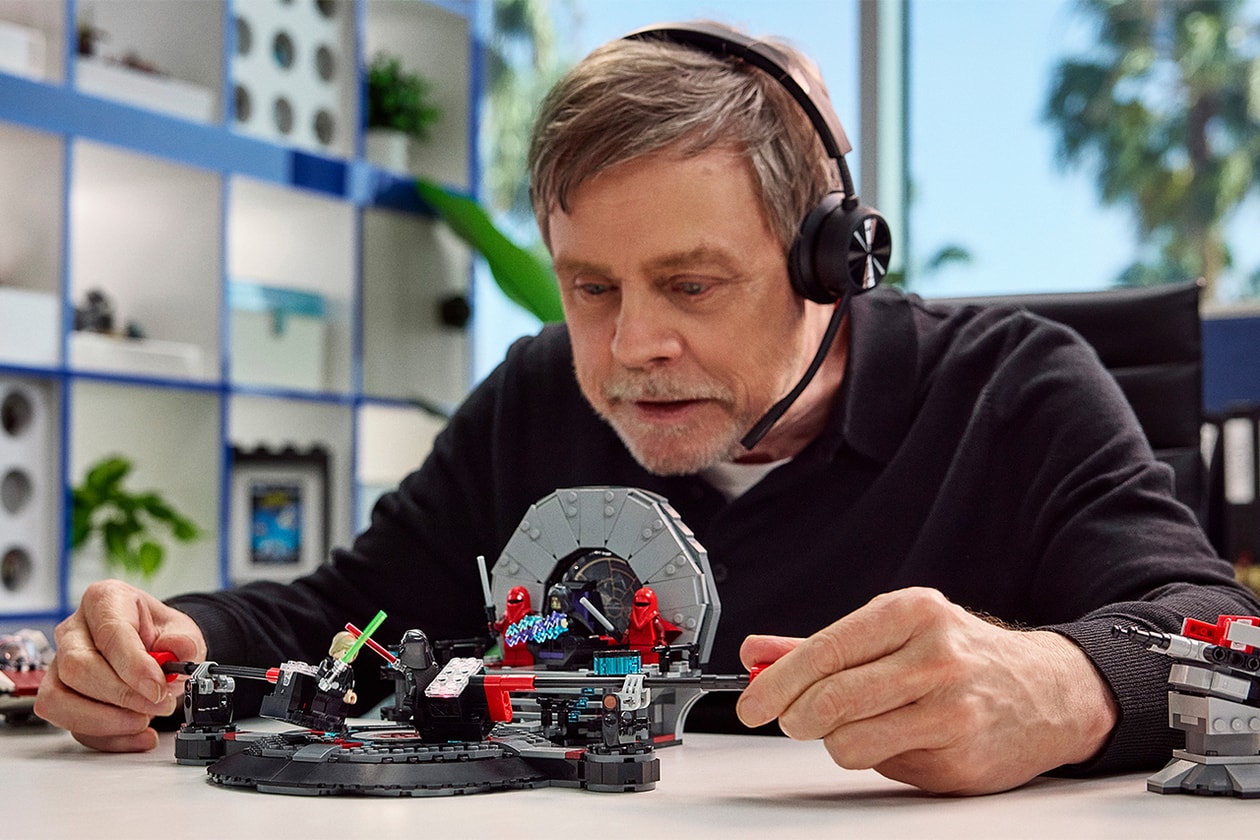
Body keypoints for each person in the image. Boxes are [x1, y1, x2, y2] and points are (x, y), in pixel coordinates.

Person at [35, 21, 1259, 796]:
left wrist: (1059, 686)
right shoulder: (532, 396)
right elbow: (335, 615)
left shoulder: (1016, 389)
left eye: (690, 284)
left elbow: (1219, 632)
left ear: (830, 263)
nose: (630, 350)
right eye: (589, 287)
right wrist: (168, 644)